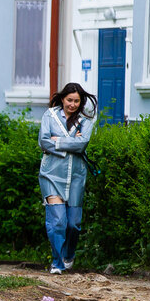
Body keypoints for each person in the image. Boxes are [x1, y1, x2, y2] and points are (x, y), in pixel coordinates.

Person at [38, 82, 98, 274]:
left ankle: (68, 254)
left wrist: (59, 140)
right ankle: (57, 263)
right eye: (69, 100)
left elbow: (82, 145)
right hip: (51, 174)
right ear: (62, 99)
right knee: (57, 221)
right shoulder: (50, 115)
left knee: (73, 224)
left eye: (76, 101)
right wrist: (71, 142)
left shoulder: (85, 121)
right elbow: (44, 141)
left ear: (81, 103)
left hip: (76, 177)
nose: (72, 104)